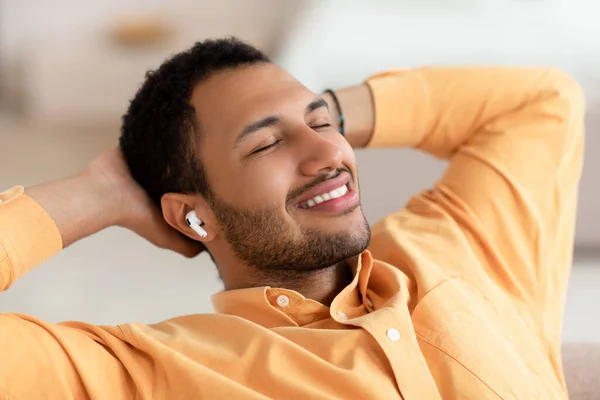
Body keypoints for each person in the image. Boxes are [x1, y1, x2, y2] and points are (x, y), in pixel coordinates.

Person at [0, 37, 584, 399]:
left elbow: (541, 104)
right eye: (265, 145)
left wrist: (332, 106)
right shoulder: (150, 375)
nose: (330, 154)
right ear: (193, 216)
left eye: (322, 123)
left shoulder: (459, 243)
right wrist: (98, 192)